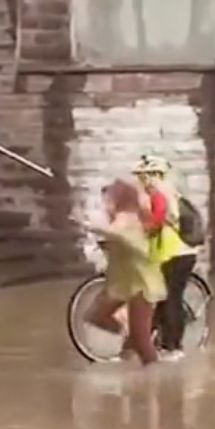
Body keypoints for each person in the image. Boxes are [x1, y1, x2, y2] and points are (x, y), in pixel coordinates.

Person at [82, 178, 165, 365]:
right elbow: (118, 243)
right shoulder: (119, 217)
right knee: (95, 316)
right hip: (123, 283)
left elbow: (131, 242)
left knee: (143, 344)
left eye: (109, 199)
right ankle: (129, 339)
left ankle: (156, 378)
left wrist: (96, 229)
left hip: (141, 283)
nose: (106, 204)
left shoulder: (130, 218)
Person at [134, 155, 198, 361]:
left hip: (180, 254)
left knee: (171, 298)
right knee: (160, 298)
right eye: (140, 177)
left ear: (157, 175)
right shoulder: (156, 195)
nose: (142, 181)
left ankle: (174, 347)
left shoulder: (162, 194)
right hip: (167, 254)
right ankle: (159, 343)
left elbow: (157, 221)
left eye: (145, 176)